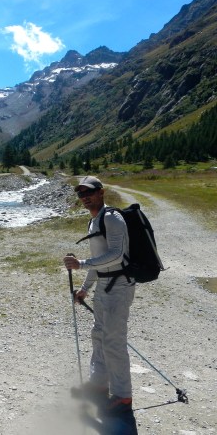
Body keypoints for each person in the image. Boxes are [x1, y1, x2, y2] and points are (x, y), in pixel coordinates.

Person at [63, 175, 136, 414]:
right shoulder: (93, 221)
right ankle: (98, 385)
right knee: (98, 336)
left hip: (119, 287)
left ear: (101, 192)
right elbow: (98, 262)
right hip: (104, 286)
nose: (85, 197)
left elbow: (116, 254)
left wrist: (80, 263)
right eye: (81, 194)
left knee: (114, 342)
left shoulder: (112, 218)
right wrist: (85, 289)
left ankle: (123, 396)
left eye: (89, 192)